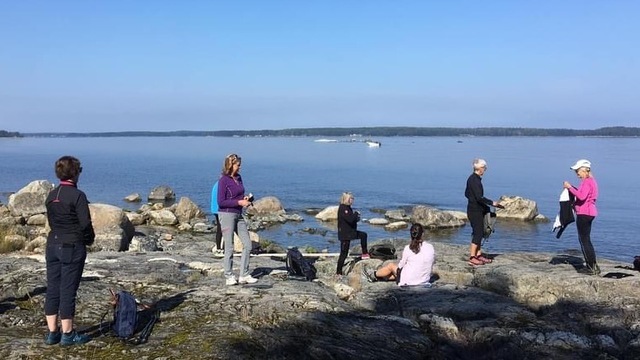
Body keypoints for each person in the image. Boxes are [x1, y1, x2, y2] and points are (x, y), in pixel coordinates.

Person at [44, 156, 95, 346]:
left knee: (52, 288)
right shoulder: (78, 196)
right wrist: (89, 240)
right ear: (74, 173)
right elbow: (85, 224)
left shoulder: (51, 195)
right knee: (68, 290)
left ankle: (52, 332)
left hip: (52, 244)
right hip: (72, 246)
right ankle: (68, 334)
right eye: (79, 170)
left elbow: (52, 222)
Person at [217, 153, 258, 285]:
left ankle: (244, 274)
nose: (239, 167)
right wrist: (239, 203)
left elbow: (238, 195)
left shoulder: (239, 178)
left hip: (238, 215)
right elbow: (221, 202)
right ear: (231, 165)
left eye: (240, 165)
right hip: (227, 214)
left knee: (247, 244)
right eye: (237, 165)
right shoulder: (223, 180)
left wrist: (245, 199)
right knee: (229, 246)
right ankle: (228, 275)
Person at [362, 223, 435, 286]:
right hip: (424, 280)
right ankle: (380, 277)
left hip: (409, 281)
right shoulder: (430, 247)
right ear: (422, 234)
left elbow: (400, 266)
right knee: (394, 273)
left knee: (391, 266)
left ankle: (373, 275)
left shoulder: (408, 248)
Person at [564, 159, 600, 275]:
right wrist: (573, 188)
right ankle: (593, 266)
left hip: (584, 213)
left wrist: (569, 187)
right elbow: (584, 195)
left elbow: (581, 196)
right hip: (589, 213)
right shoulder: (592, 181)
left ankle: (591, 267)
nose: (577, 173)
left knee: (584, 240)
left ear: (585, 170)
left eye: (578, 170)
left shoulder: (587, 181)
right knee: (586, 239)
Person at [465, 158, 502, 266]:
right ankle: (472, 257)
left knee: (480, 232)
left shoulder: (473, 179)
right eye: (484, 168)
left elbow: (466, 194)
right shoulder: (474, 180)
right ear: (480, 168)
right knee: (478, 233)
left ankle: (478, 254)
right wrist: (492, 203)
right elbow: (479, 198)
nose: (485, 170)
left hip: (476, 209)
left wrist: (473, 200)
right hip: (474, 211)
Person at [336, 192, 369, 276]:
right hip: (345, 234)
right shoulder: (343, 208)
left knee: (363, 235)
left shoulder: (348, 208)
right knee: (343, 254)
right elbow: (350, 219)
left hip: (350, 232)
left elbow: (352, 220)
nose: (352, 200)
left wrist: (356, 217)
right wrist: (356, 214)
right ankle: (338, 272)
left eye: (352, 198)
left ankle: (365, 253)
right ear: (347, 199)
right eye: (351, 198)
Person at [210, 179, 223, 255]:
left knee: (220, 228)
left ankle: (219, 247)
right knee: (221, 228)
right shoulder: (222, 185)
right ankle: (219, 248)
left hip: (215, 208)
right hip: (219, 209)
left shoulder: (217, 184)